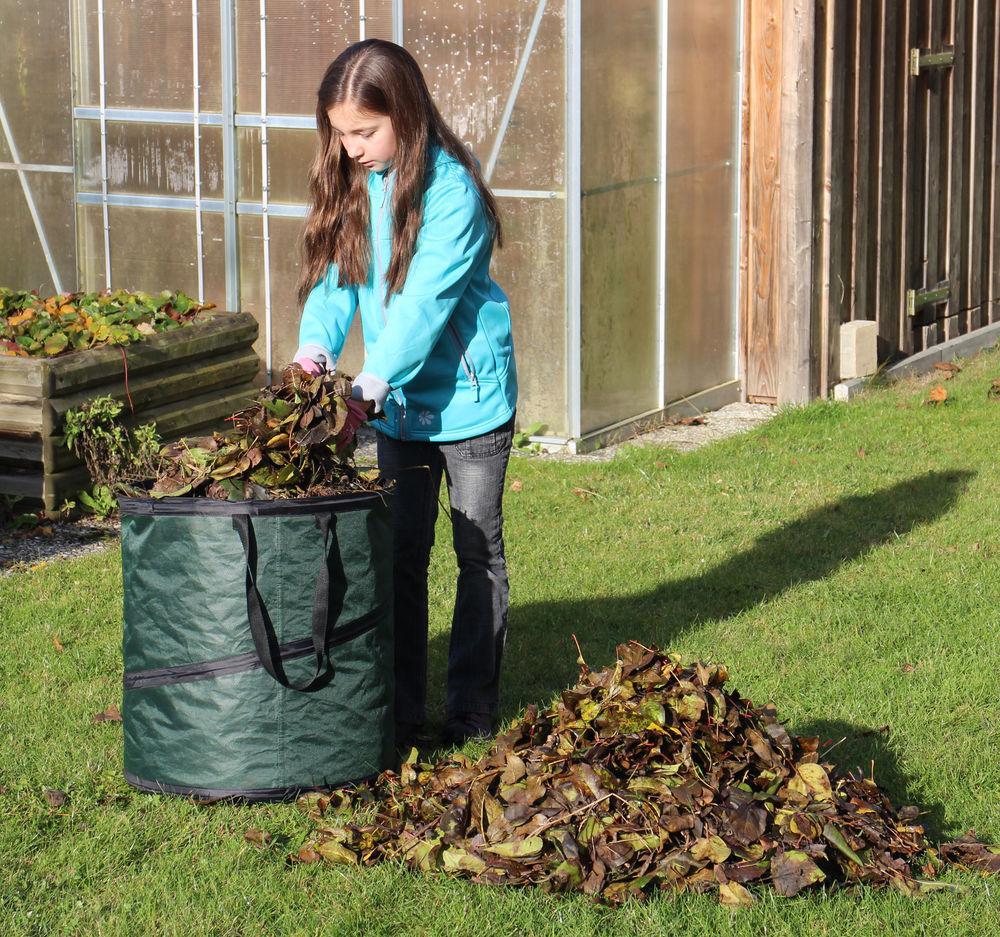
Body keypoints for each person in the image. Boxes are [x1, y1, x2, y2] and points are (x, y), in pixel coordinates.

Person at [292, 39, 518, 750]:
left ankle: (471, 707)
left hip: (470, 404)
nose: (351, 148)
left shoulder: (453, 193)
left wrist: (365, 388)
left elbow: (424, 306)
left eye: (365, 131)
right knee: (401, 554)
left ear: (407, 114)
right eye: (341, 133)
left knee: (475, 550)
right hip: (397, 409)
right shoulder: (357, 183)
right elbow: (337, 281)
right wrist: (312, 355)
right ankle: (400, 710)